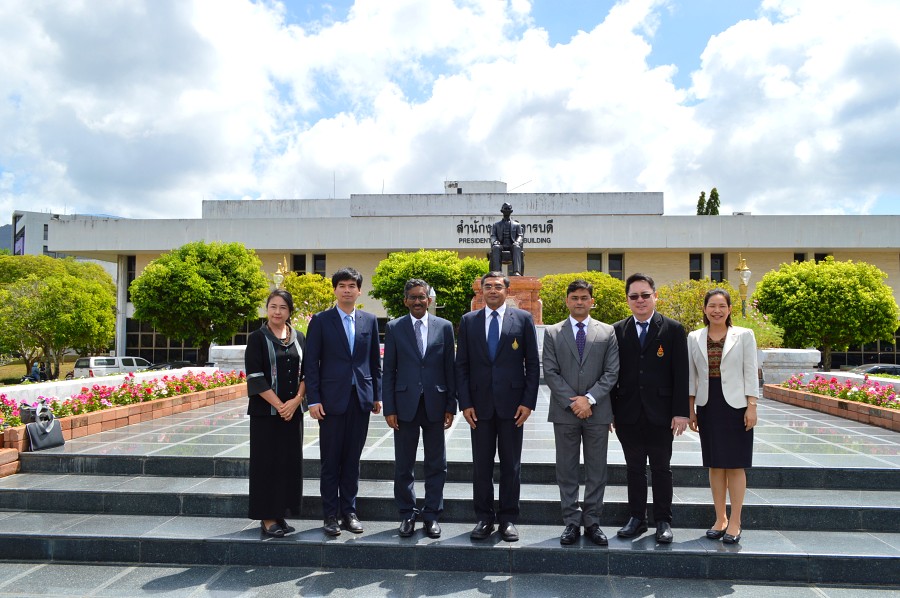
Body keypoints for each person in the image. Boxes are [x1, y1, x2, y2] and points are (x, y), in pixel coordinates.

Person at [456, 271, 539, 542]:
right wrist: (465, 402)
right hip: (478, 407)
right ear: (481, 291)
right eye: (488, 286)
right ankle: (483, 518)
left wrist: (528, 402)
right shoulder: (468, 321)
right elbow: (462, 366)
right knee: (481, 465)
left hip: (513, 407)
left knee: (511, 466)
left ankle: (508, 519)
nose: (493, 290)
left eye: (498, 286)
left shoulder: (523, 319)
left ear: (507, 289)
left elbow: (532, 365)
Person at [612, 273, 689, 544]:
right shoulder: (617, 330)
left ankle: (663, 521)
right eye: (634, 296)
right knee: (633, 468)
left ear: (655, 296)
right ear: (628, 300)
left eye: (645, 295)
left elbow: (681, 374)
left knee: (661, 468)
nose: (640, 300)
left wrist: (681, 412)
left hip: (662, 413)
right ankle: (636, 518)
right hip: (627, 412)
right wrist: (610, 411)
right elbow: (611, 374)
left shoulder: (673, 329)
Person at [305, 267, 382, 537]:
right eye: (342, 286)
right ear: (335, 290)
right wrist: (312, 399)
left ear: (359, 290)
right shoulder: (321, 321)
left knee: (352, 459)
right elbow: (311, 364)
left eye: (352, 285)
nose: (347, 290)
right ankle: (329, 515)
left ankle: (349, 511)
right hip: (330, 402)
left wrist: (376, 395)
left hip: (360, 400)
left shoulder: (369, 320)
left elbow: (374, 362)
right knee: (330, 460)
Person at [543, 279, 619, 546]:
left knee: (597, 469)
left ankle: (593, 521)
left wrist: (588, 400)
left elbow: (612, 372)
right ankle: (571, 523)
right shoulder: (552, 333)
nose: (579, 302)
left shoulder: (607, 332)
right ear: (567, 301)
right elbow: (550, 372)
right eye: (574, 297)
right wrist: (573, 402)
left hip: (597, 412)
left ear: (591, 301)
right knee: (567, 469)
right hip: (565, 413)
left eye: (584, 297)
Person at [382, 279, 457, 539]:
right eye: (412, 297)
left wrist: (451, 405)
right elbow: (388, 370)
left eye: (422, 297)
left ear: (429, 300)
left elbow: (450, 368)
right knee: (404, 464)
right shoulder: (394, 328)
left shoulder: (445, 327)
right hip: (404, 406)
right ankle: (406, 514)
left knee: (437, 463)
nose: (417, 301)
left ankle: (432, 514)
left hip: (436, 404)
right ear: (405, 300)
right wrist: (389, 407)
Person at [687, 288, 759, 544]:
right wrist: (691, 407)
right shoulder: (694, 337)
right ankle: (720, 518)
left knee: (735, 464)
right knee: (715, 464)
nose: (716, 310)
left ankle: (736, 520)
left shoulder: (744, 335)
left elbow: (750, 371)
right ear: (705, 309)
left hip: (737, 405)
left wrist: (752, 405)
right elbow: (692, 375)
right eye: (711, 305)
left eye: (721, 306)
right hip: (709, 403)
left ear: (729, 309)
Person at [244, 289, 306, 537]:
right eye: (273, 306)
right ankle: (267, 517)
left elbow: (308, 373)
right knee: (266, 464)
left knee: (287, 464)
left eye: (282, 307)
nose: (277, 311)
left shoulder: (299, 337)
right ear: (267, 309)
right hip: (266, 414)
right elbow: (255, 377)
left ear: (290, 311)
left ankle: (281, 512)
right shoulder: (257, 338)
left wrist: (297, 401)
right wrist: (281, 405)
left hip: (293, 413)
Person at [489, 203, 525, 276]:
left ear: (511, 211)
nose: (507, 211)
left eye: (509, 209)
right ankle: (497, 272)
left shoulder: (517, 225)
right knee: (495, 247)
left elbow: (520, 236)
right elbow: (493, 236)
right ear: (502, 211)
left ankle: (516, 272)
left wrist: (517, 242)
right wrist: (495, 241)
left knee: (517, 247)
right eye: (505, 209)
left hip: (512, 245)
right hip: (501, 245)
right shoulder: (496, 225)